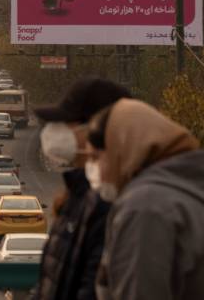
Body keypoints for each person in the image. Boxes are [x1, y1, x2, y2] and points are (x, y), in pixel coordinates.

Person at [88, 99, 204, 300]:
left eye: (96, 157)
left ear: (121, 149)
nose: (94, 170)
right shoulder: (199, 193)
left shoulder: (146, 206)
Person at [30, 77, 132, 300]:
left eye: (67, 122)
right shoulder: (77, 195)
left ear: (97, 128)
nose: (54, 131)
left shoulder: (111, 203)